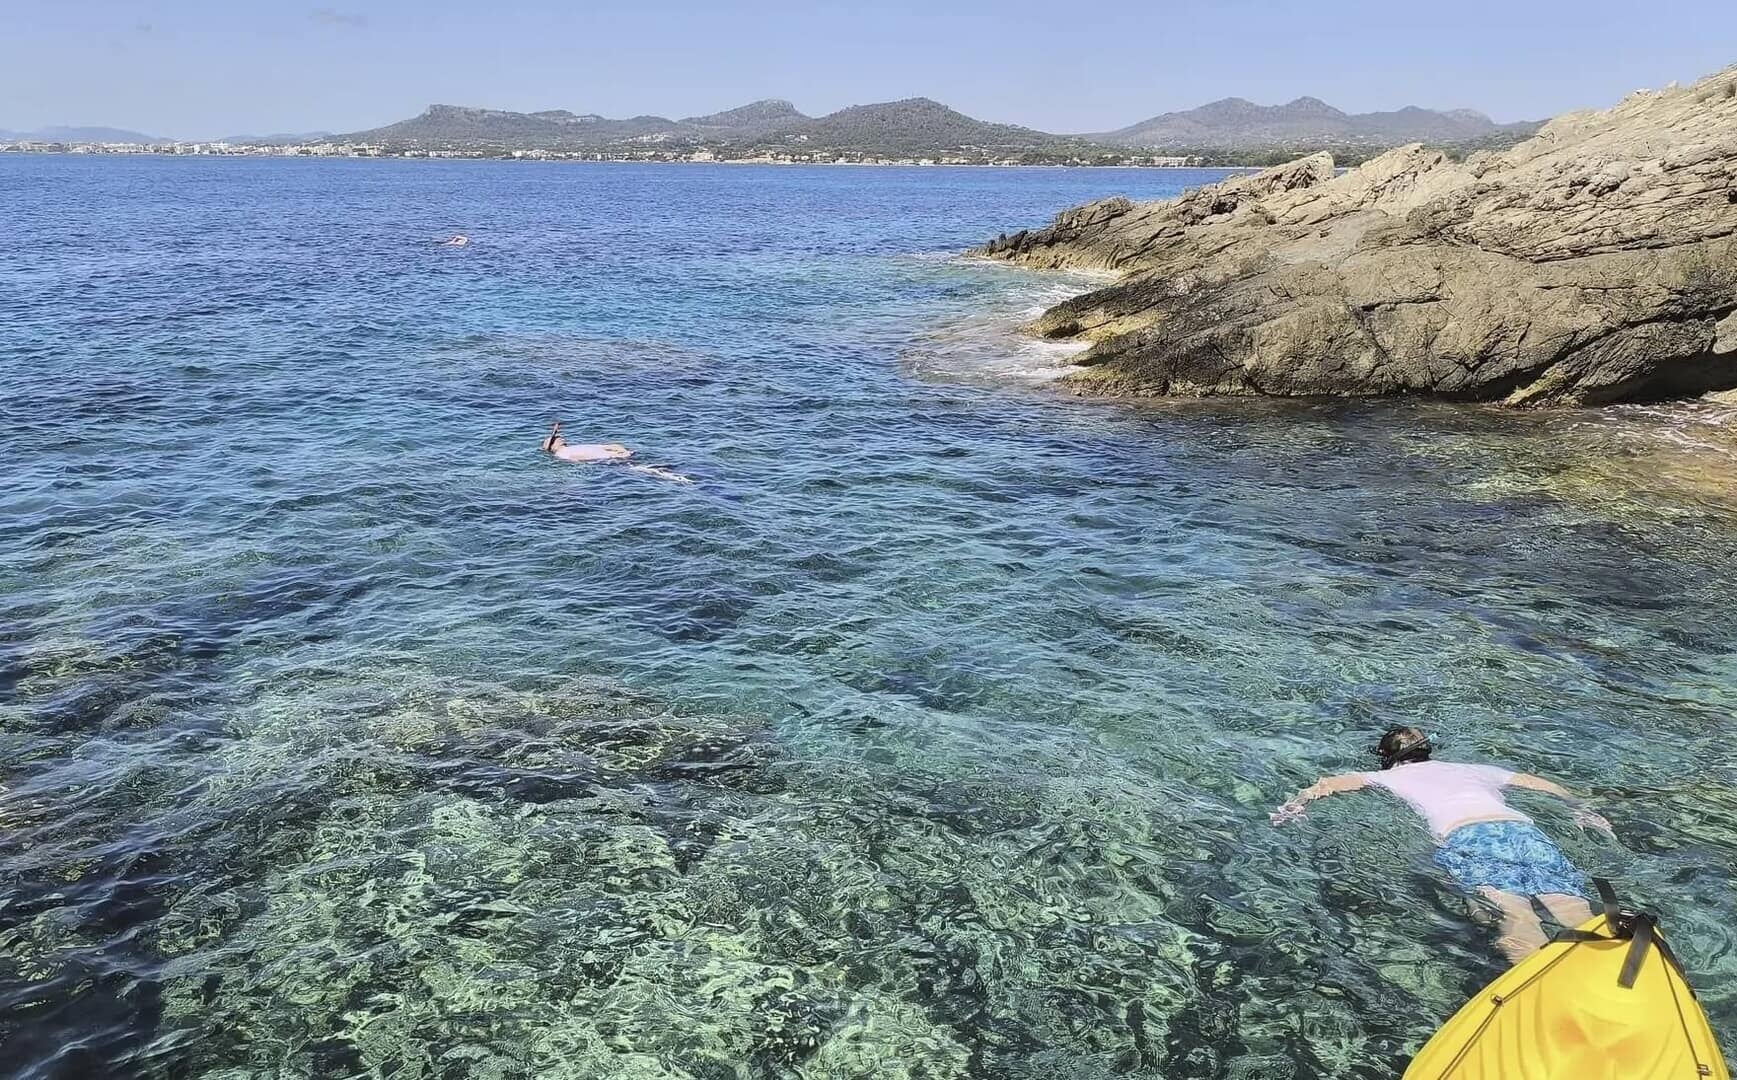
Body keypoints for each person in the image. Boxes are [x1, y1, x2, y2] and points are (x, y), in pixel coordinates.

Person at [1271, 726, 1616, 963]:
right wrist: (1580, 809)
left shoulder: (1387, 776)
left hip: (1469, 837)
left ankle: (1542, 989)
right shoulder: (1474, 768)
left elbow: (1331, 783)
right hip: (1523, 831)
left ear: (1387, 757)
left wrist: (1297, 804)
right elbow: (1535, 782)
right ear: (1427, 750)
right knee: (1573, 908)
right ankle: (1611, 963)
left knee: (1517, 914)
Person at [540, 421, 633, 463]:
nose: (558, 438)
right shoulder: (560, 454)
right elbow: (581, 459)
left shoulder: (572, 448)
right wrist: (614, 456)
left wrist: (620, 450)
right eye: (554, 439)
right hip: (612, 458)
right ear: (552, 447)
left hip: (617, 455)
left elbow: (604, 446)